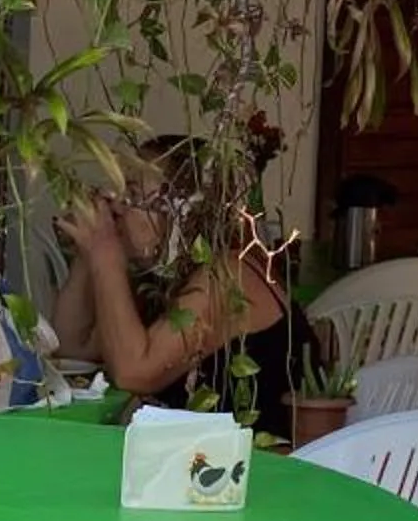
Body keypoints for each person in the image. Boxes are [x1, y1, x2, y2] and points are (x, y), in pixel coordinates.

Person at [50, 133, 297, 439]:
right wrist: (89, 255)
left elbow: (135, 373)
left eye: (134, 195)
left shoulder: (225, 274)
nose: (118, 208)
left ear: (185, 211)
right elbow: (72, 348)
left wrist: (105, 255)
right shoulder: (163, 278)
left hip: (262, 467)